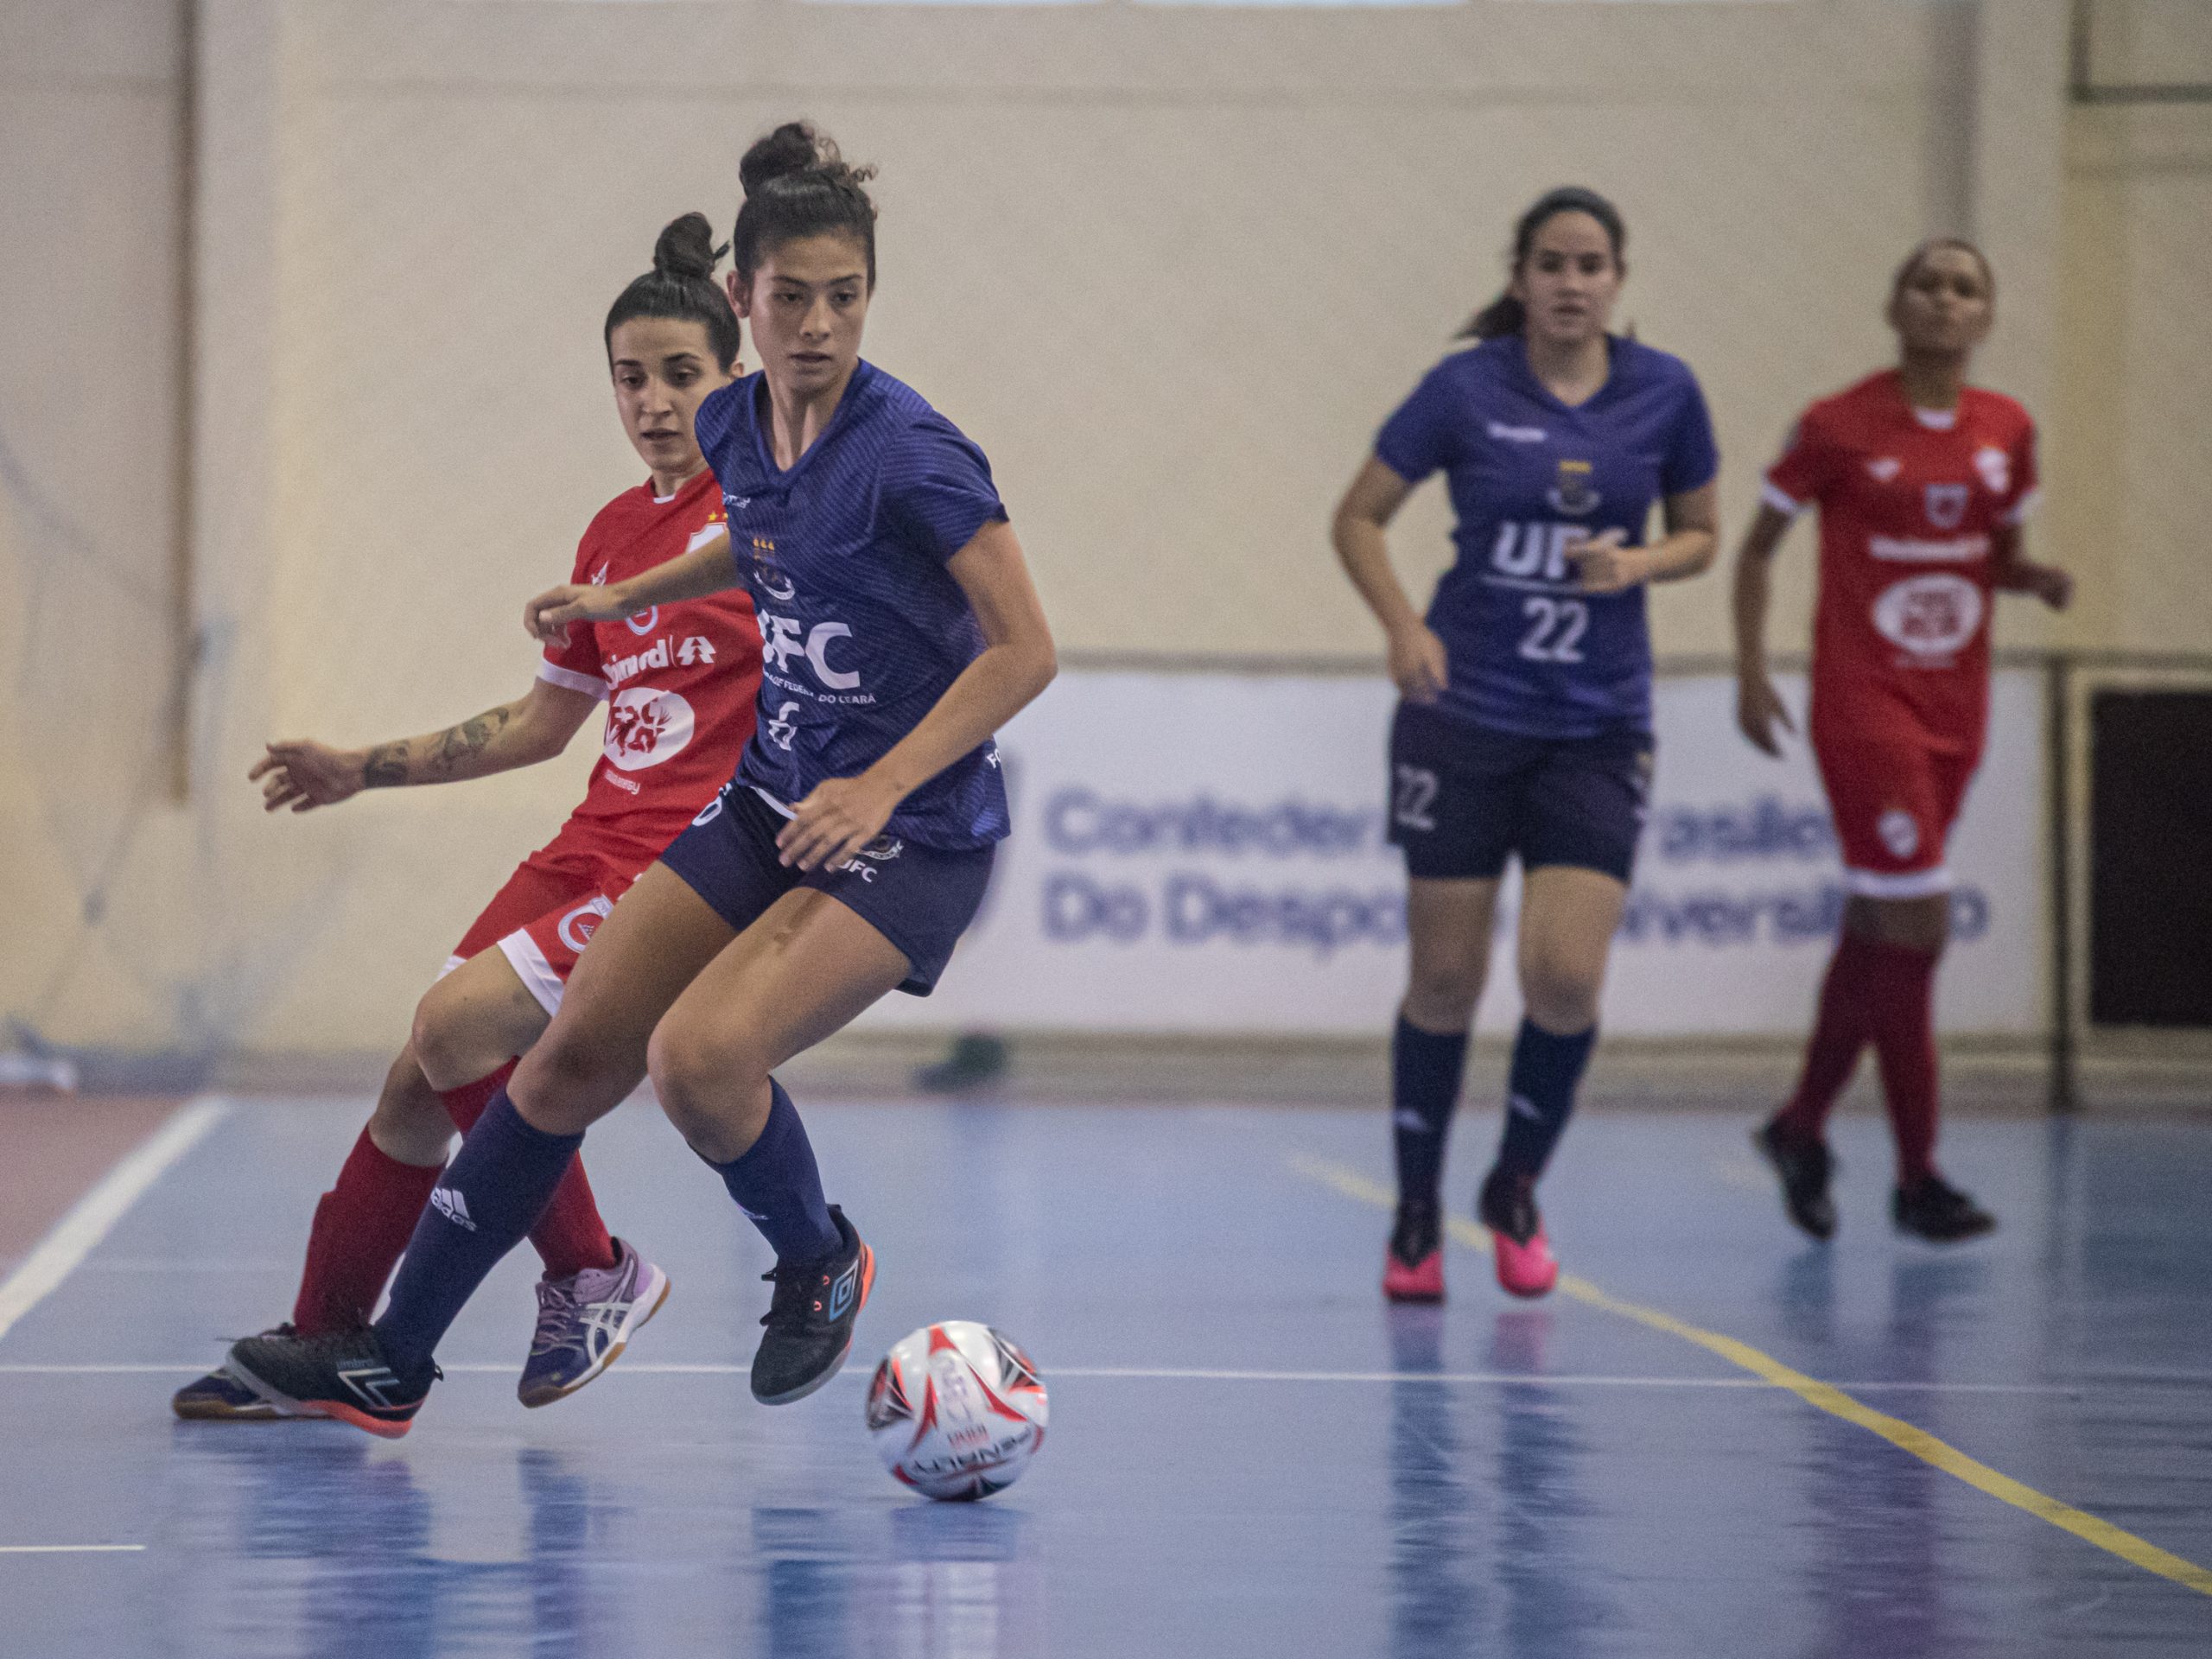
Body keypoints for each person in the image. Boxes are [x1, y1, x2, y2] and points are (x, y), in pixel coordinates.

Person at [221, 121, 1057, 1437]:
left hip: (912, 833)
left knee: (699, 1063)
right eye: (793, 297)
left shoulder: (917, 455)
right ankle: (392, 1361)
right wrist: (632, 590)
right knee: (561, 1068)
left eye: (846, 298)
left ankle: (818, 1257)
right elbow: (758, 544)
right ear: (746, 297)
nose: (821, 326)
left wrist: (885, 785)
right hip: (768, 803)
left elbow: (1026, 653)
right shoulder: (737, 420)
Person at [174, 214, 760, 1419]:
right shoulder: (610, 530)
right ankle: (325, 1342)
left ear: (734, 377)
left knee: (456, 1030)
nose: (652, 401)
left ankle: (596, 1273)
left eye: (682, 375)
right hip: (587, 847)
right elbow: (543, 726)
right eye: (630, 377)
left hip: (679, 867)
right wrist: (360, 767)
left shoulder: (766, 517)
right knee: (414, 1077)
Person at [1332, 187, 1719, 1303]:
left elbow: (1702, 534)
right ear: (1520, 277)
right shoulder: (1465, 389)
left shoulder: (1665, 394)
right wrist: (1404, 627)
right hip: (1463, 715)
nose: (1570, 281)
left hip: (1595, 727)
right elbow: (1356, 515)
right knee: (1446, 978)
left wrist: (1639, 564)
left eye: (1591, 263)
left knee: (1563, 976)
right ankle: (1415, 1210)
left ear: (1617, 280)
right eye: (1551, 262)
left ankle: (1513, 1184)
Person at [1738, 238, 2070, 1243]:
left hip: (1954, 709)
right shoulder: (1837, 425)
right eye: (1926, 283)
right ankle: (1917, 1177)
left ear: (1984, 317)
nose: (1943, 299)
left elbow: (1991, 556)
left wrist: (2031, 580)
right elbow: (1757, 550)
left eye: (1964, 287)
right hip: (1863, 702)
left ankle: (1799, 1126)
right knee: (1918, 922)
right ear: (1894, 304)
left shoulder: (2006, 431)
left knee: (1880, 931)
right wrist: (1752, 674)